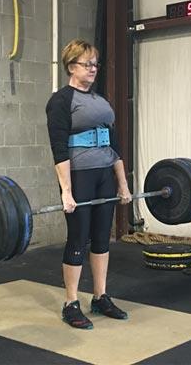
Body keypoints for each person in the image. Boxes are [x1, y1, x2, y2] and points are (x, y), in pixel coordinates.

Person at [46, 39, 132, 330]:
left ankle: (100, 296)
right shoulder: (61, 101)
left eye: (95, 63)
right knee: (78, 237)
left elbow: (115, 145)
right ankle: (71, 302)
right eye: (87, 63)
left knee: (100, 237)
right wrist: (66, 191)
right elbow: (59, 149)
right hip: (79, 177)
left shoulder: (101, 101)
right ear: (71, 66)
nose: (93, 68)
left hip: (104, 175)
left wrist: (122, 184)